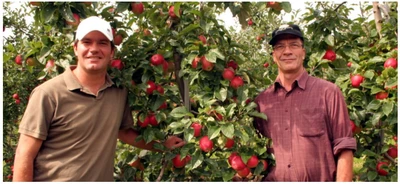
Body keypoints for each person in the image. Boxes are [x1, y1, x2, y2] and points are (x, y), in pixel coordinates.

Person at [12, 16, 185, 181]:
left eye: (102, 43)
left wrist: (162, 145)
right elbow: (24, 154)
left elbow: (124, 132)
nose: (94, 49)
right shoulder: (48, 94)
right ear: (75, 48)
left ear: (112, 52)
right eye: (86, 42)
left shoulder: (118, 92)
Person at [253, 24, 356, 181]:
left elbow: (345, 147)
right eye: (280, 46)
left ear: (303, 52)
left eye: (294, 45)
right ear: (274, 56)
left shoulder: (328, 93)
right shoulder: (262, 102)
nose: (287, 51)